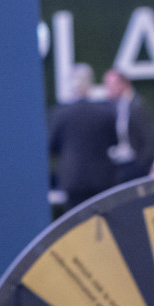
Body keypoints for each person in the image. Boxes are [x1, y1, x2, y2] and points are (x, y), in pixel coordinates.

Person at [48, 63, 117, 216]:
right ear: (90, 84)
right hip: (101, 179)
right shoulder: (105, 113)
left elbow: (52, 146)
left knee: (76, 223)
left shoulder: (61, 114)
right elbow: (114, 142)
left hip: (73, 179)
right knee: (102, 223)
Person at [102, 69, 154, 186]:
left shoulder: (138, 106)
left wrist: (141, 166)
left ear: (123, 84)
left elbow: (149, 140)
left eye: (111, 85)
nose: (108, 89)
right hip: (117, 164)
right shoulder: (114, 106)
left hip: (134, 167)